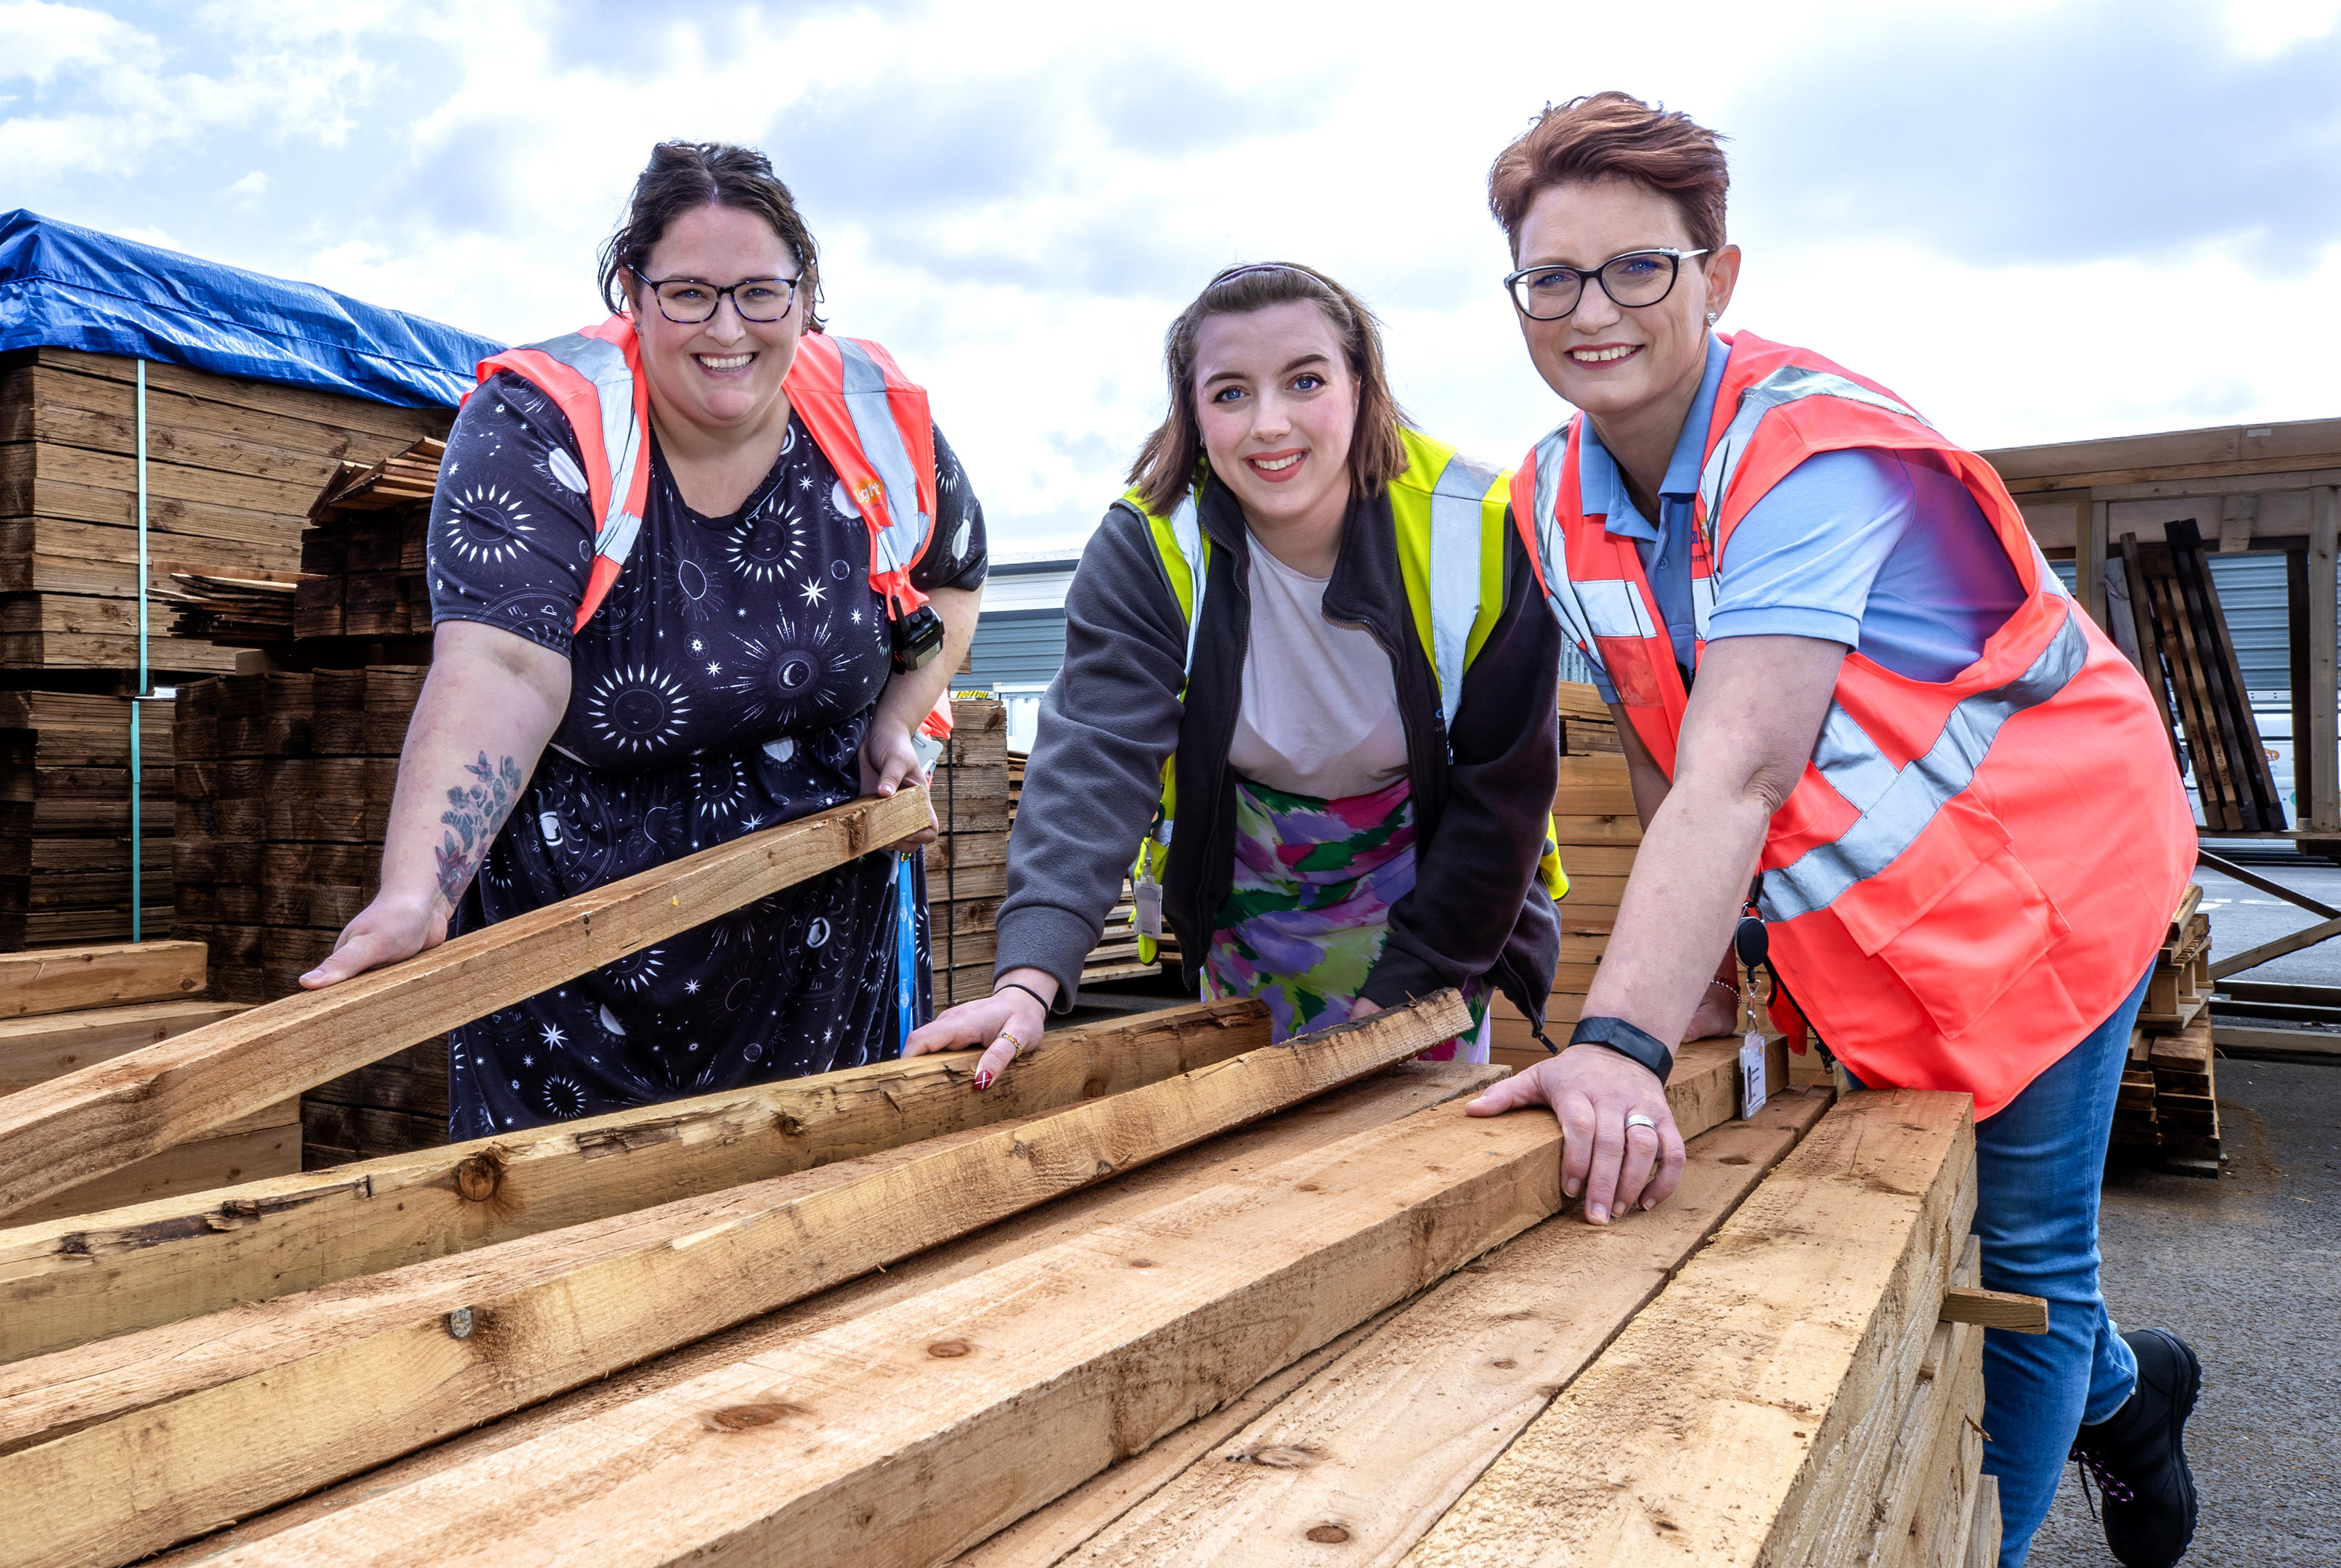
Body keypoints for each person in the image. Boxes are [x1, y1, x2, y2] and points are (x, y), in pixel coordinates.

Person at [1459, 94, 2202, 1568]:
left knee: (2029, 1250)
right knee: (1955, 1235)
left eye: (1637, 269)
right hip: (1895, 904)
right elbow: (1672, 749)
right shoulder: (1551, 492)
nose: (1589, 311)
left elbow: (1742, 769)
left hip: (2056, 870)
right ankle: (2133, 1392)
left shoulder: (1809, 453)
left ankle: (1989, 1537)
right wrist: (1701, 984)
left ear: (1717, 275)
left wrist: (1609, 1044)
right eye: (1551, 278)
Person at [301, 142, 987, 1136]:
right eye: (688, 294)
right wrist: (419, 890)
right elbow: (502, 667)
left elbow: (951, 578)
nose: (727, 329)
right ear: (632, 289)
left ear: (806, 292)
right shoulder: (543, 427)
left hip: (821, 955)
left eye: (760, 293)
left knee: (817, 1230)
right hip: (583, 975)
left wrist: (898, 718)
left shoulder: (875, 416)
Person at [905, 262, 1564, 1084]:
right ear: (1193, 414)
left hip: (1436, 891)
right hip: (1246, 893)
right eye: (1229, 393)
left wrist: (1405, 992)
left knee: (1406, 1132)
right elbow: (1094, 758)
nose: (1268, 424)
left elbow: (1502, 790)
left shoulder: (1486, 528)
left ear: (1360, 386)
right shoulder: (1147, 545)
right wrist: (1027, 979)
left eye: (1304, 381)